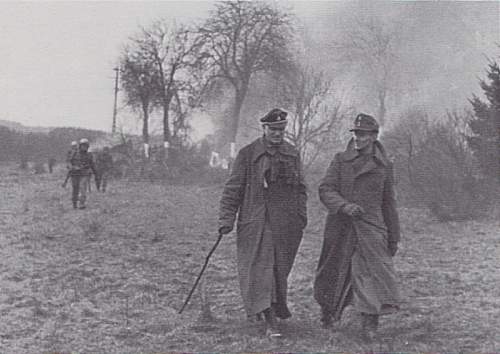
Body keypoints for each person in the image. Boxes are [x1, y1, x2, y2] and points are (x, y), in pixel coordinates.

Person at [218, 108, 307, 338]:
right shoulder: (248, 155)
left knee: (278, 271)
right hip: (256, 221)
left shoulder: (292, 154)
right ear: (264, 129)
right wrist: (226, 218)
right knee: (261, 270)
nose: (277, 133)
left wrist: (300, 217)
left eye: (281, 129)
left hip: (285, 225)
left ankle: (269, 310)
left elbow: (301, 189)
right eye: (273, 129)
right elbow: (233, 188)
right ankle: (270, 322)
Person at [314, 113, 401, 340]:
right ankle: (329, 312)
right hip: (341, 226)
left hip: (371, 228)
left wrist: (393, 236)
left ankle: (369, 324)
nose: (358, 139)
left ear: (373, 136)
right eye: (355, 134)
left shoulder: (384, 166)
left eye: (363, 134)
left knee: (371, 274)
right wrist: (344, 206)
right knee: (333, 271)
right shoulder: (340, 160)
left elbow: (389, 202)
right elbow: (325, 189)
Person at [69, 138, 98, 209]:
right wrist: (73, 167)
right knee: (75, 188)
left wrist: (96, 174)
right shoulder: (75, 153)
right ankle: (74, 202)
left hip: (84, 174)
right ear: (80, 146)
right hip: (75, 174)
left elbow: (92, 165)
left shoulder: (89, 155)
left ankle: (82, 203)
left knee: (83, 188)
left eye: (86, 146)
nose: (84, 147)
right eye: (83, 146)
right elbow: (69, 163)